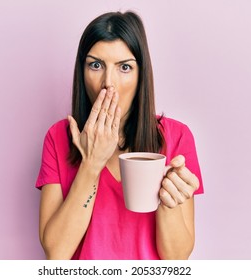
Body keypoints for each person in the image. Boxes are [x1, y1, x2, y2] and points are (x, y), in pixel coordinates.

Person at [35, 11, 204, 260]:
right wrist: (91, 164)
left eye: (124, 67)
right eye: (96, 65)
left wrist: (168, 198)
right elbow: (56, 253)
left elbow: (177, 259)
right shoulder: (58, 137)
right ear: (82, 72)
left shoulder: (177, 137)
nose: (108, 83)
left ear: (141, 75)